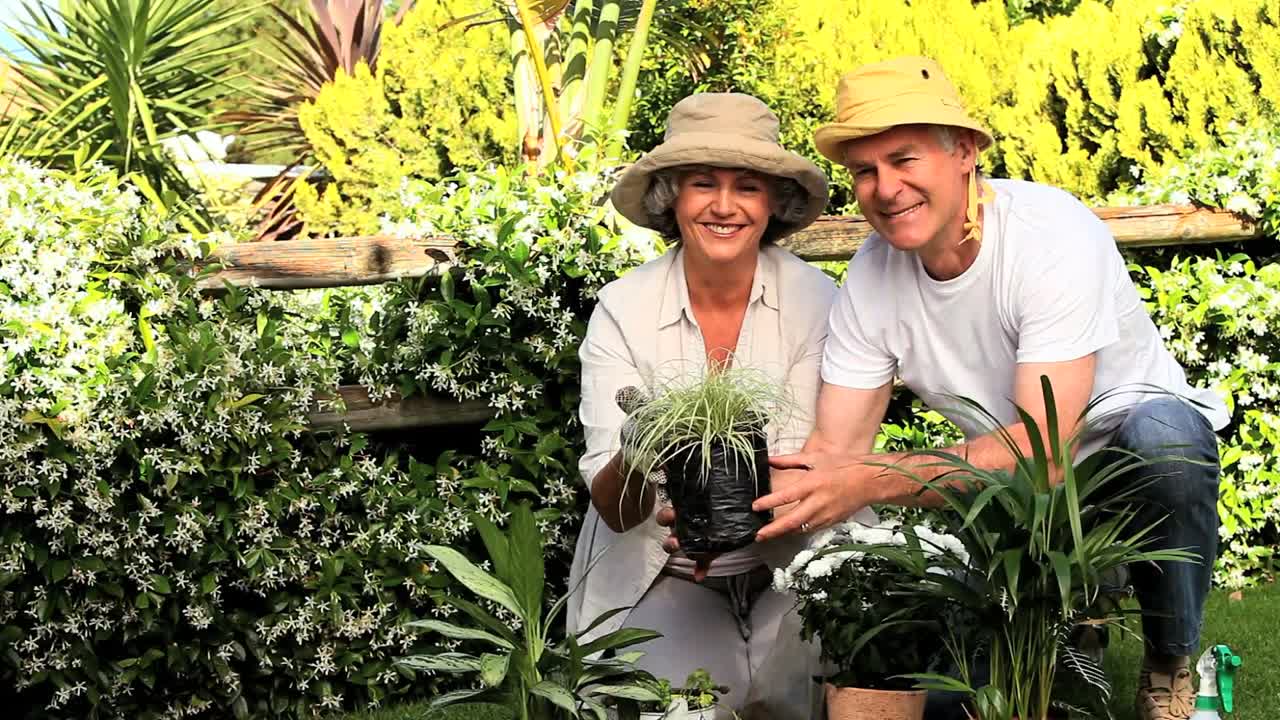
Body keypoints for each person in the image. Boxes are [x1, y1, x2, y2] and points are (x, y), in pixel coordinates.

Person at [749, 57, 1228, 720]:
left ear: (966, 152)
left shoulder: (1050, 237)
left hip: (1116, 468)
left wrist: (869, 478)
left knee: (1169, 438)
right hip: (1005, 501)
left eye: (904, 159)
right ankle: (1069, 607)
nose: (886, 188)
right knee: (953, 703)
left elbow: (1043, 454)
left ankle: (1169, 659)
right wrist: (732, 513)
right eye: (865, 170)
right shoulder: (872, 275)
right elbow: (834, 452)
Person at [564, 92, 848, 719]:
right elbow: (614, 508)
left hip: (790, 568)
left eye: (747, 186)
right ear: (671, 196)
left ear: (772, 201)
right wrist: (641, 449)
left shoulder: (818, 301)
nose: (724, 206)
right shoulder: (623, 310)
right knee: (686, 707)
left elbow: (812, 463)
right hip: (662, 573)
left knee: (801, 700)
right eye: (702, 184)